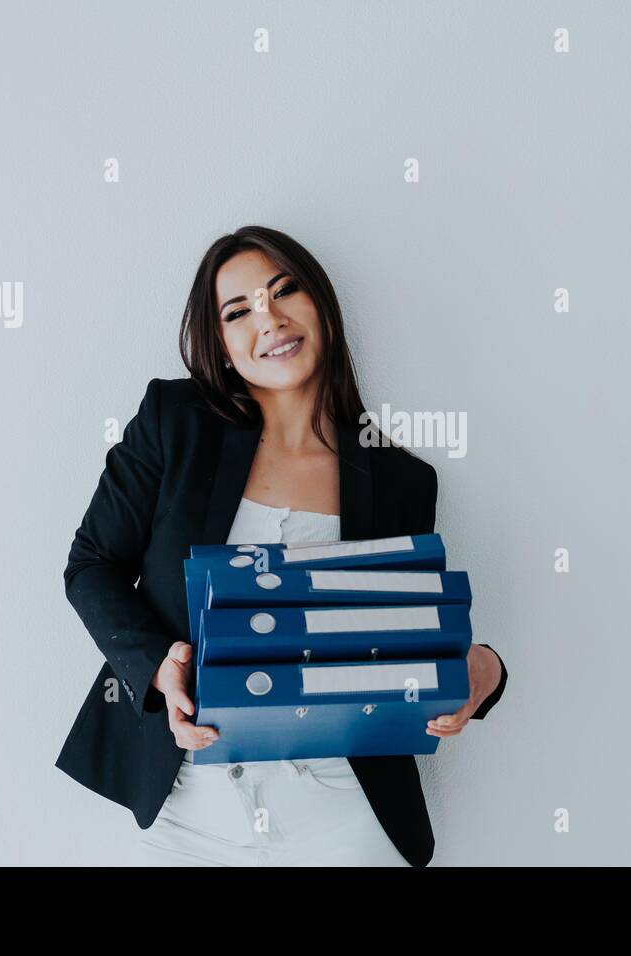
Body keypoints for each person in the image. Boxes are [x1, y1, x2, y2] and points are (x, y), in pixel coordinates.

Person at [56, 225, 508, 866]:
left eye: (283, 291)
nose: (268, 320)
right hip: (187, 811)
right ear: (221, 344)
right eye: (238, 312)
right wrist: (158, 665)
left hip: (341, 816)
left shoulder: (401, 480)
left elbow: (405, 638)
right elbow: (92, 566)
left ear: (320, 302)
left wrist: (486, 669)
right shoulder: (174, 423)